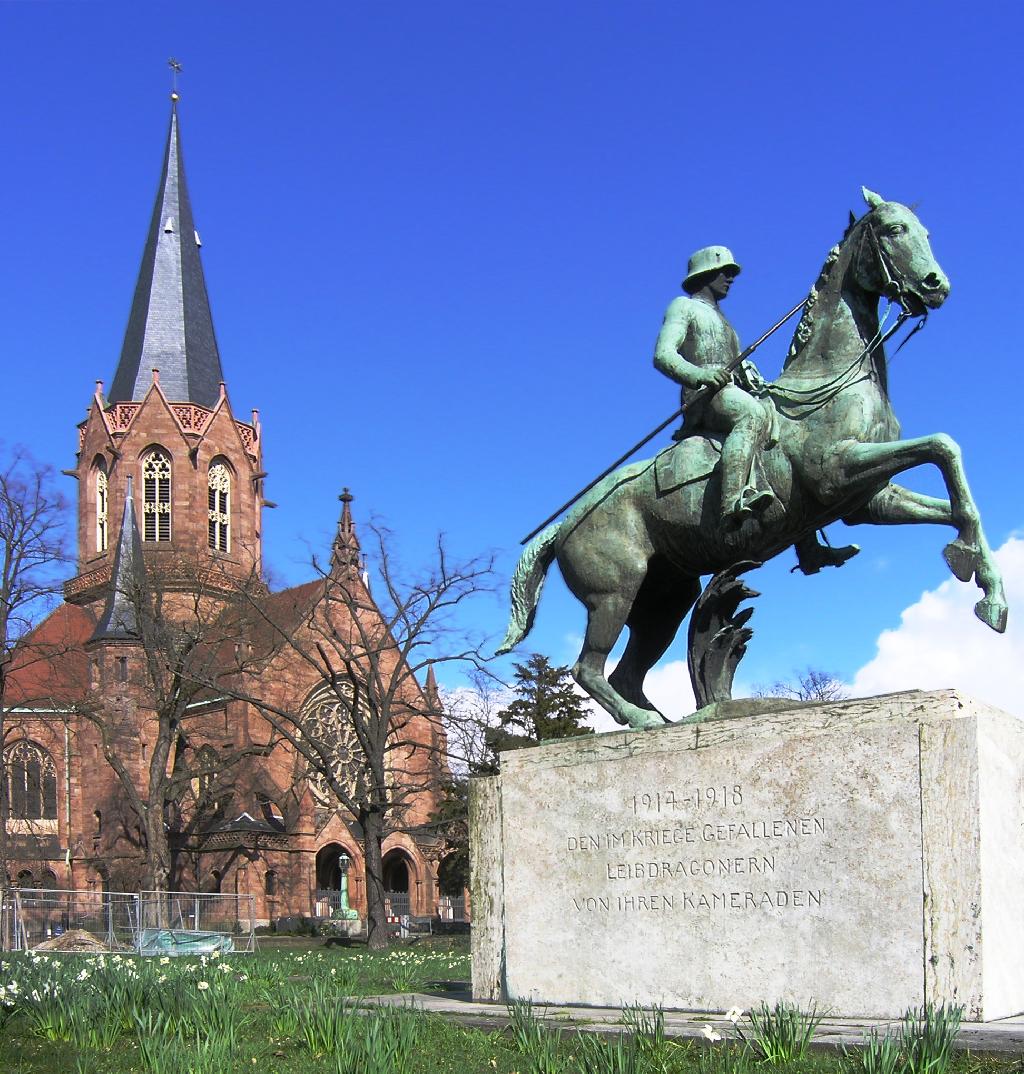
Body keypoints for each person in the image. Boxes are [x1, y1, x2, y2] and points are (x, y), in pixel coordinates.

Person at [654, 245, 858, 573]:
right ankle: (733, 502)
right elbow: (663, 354)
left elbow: (733, 366)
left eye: (731, 273)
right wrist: (701, 374)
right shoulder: (684, 307)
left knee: (790, 434)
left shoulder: (725, 322)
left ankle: (808, 547)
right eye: (725, 272)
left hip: (731, 390)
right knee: (751, 414)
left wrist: (749, 375)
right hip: (704, 396)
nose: (730, 278)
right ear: (705, 275)